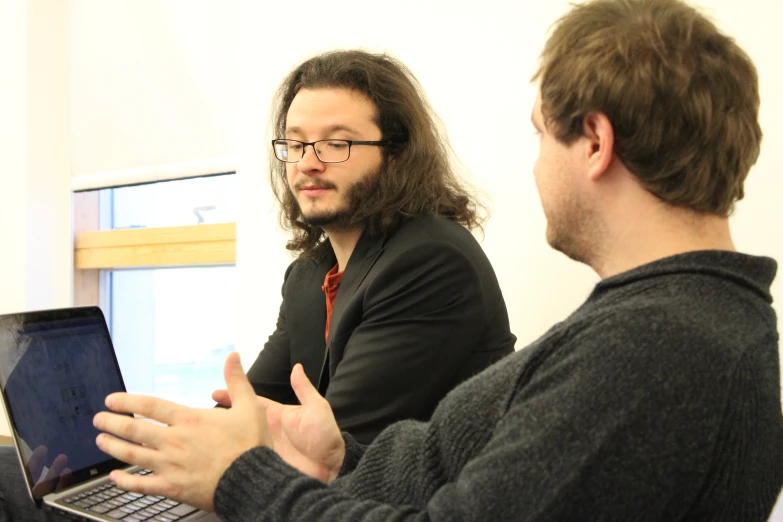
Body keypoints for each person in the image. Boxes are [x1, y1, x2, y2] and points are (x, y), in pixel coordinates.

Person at [28, 0, 783, 520]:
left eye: (538, 136)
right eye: (296, 143)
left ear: (593, 141)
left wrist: (241, 478)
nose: (533, 168)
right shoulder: (672, 323)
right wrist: (331, 459)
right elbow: (454, 467)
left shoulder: (652, 347)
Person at [244, 50, 516, 444]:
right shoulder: (309, 275)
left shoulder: (429, 263)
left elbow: (336, 445)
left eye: (336, 144)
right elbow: (253, 406)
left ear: (397, 154)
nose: (307, 163)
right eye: (296, 143)